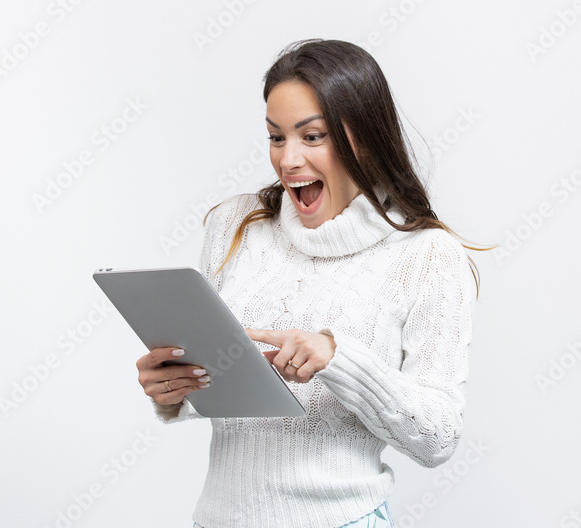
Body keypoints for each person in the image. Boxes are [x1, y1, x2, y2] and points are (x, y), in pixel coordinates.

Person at [135, 39, 486, 528]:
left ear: (364, 137)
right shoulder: (238, 224)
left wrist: (338, 358)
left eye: (312, 136)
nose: (288, 160)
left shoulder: (426, 257)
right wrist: (172, 388)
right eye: (276, 137)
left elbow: (438, 438)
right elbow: (227, 388)